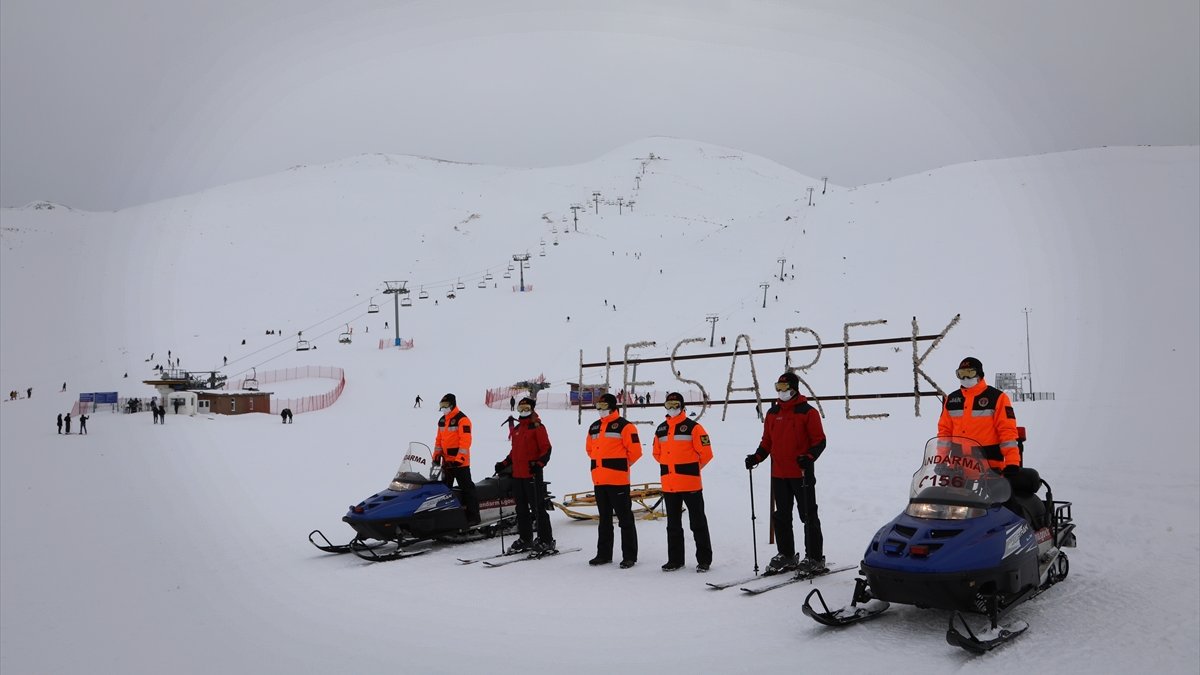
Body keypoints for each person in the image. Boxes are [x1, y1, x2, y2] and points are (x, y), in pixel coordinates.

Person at [745, 372, 827, 575]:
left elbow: (819, 441)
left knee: (808, 515)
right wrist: (757, 457)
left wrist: (809, 457)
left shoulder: (808, 412)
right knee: (781, 516)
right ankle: (787, 554)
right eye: (777, 388)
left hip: (801, 473)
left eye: (784, 388)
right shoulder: (773, 413)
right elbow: (767, 442)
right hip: (779, 474)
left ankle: (815, 558)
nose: (780, 392)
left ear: (794, 389)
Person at [653, 392, 714, 572]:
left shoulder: (694, 428)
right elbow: (657, 453)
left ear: (682, 407)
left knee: (697, 523)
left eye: (675, 405)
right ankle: (675, 560)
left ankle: (704, 560)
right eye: (669, 405)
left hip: (690, 484)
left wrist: (691, 469)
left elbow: (706, 454)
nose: (672, 408)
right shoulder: (661, 429)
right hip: (670, 485)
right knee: (673, 525)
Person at [586, 393, 643, 568]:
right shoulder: (594, 427)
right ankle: (603, 554)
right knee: (604, 520)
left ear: (612, 407)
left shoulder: (625, 426)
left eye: (603, 407)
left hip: (618, 481)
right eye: (598, 407)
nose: (600, 410)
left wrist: (620, 466)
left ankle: (629, 556)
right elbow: (590, 450)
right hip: (599, 481)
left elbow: (635, 452)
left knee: (625, 520)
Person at [495, 397, 555, 554]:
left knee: (537, 508)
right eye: (520, 409)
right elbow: (514, 452)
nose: (523, 411)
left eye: (526, 408)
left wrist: (539, 464)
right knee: (520, 509)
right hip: (518, 475)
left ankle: (546, 540)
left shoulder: (537, 427)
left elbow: (546, 449)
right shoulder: (517, 429)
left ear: (532, 408)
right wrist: (504, 463)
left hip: (532, 474)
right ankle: (525, 538)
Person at [938, 357, 1020, 471]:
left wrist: (1012, 462)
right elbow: (944, 432)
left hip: (990, 467)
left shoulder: (997, 398)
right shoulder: (952, 400)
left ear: (979, 374)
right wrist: (941, 460)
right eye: (961, 374)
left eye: (970, 373)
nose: (965, 378)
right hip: (958, 468)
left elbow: (1007, 432)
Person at [434, 394, 479, 525]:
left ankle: (473, 517)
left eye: (445, 406)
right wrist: (436, 456)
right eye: (441, 406)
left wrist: (460, 458)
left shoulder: (462, 419)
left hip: (460, 463)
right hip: (446, 463)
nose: (443, 408)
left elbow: (465, 441)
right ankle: (445, 518)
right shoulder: (442, 420)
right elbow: (438, 441)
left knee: (467, 489)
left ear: (452, 405)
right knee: (443, 490)